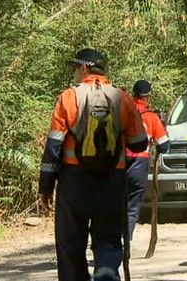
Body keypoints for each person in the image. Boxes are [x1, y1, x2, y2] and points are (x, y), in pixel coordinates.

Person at [38, 48, 148, 281]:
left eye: (75, 68)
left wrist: (45, 188)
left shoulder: (68, 97)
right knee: (108, 241)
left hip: (74, 184)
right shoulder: (122, 98)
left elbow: (53, 148)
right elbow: (139, 144)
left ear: (84, 68)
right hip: (111, 182)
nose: (75, 74)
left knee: (70, 246)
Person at [126, 79, 170, 239]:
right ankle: (126, 244)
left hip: (118, 164)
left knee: (115, 204)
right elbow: (164, 145)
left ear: (133, 94)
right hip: (139, 163)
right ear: (148, 97)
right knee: (131, 208)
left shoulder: (122, 112)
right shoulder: (151, 117)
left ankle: (113, 243)